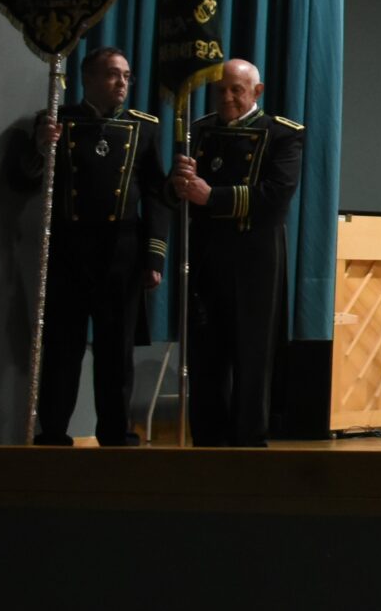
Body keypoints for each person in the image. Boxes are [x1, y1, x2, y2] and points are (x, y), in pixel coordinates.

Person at [17, 45, 169, 446]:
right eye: (113, 74)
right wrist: (40, 147)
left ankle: (115, 435)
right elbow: (24, 179)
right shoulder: (57, 121)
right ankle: (52, 433)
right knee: (62, 346)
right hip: (69, 249)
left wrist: (154, 255)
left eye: (126, 76)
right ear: (88, 78)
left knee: (116, 350)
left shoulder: (144, 128)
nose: (122, 83)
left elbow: (157, 195)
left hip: (122, 252)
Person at [170, 58, 302, 448]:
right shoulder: (200, 130)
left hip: (254, 260)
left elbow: (275, 198)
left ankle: (249, 442)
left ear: (257, 92)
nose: (226, 97)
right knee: (205, 354)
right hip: (207, 255)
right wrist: (176, 184)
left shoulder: (282, 134)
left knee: (252, 354)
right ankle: (207, 441)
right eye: (220, 89)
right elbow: (174, 195)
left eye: (236, 90)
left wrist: (212, 196)